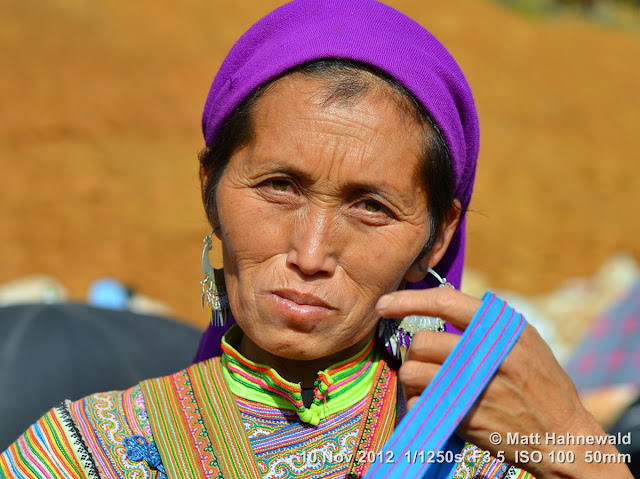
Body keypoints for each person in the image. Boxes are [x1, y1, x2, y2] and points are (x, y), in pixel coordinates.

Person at [1, 0, 633, 478]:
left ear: (437, 239)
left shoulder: (494, 457)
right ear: (209, 187)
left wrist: (574, 442)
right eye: (278, 186)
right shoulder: (83, 453)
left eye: (372, 206)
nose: (309, 254)